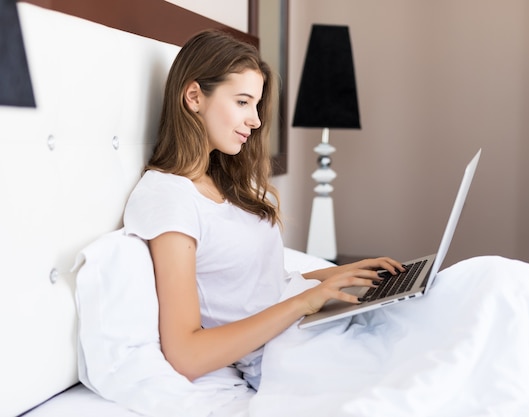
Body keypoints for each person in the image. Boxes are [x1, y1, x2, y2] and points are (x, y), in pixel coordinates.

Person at [123, 29, 405, 390]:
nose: (255, 121)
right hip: (288, 352)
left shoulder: (225, 180)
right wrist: (305, 301)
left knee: (473, 285)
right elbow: (186, 354)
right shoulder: (168, 198)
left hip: (309, 327)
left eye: (255, 105)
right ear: (194, 96)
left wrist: (341, 275)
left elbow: (258, 288)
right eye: (243, 102)